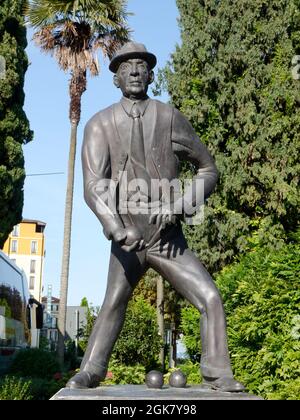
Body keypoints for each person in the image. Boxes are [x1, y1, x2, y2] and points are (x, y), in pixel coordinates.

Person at [67, 42, 245, 392]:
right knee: (115, 300)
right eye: (126, 66)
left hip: (167, 237)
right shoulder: (99, 124)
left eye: (141, 65)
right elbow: (92, 184)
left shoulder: (169, 117)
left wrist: (179, 205)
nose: (134, 71)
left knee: (209, 297)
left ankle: (218, 372)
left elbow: (208, 169)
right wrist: (116, 229)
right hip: (128, 233)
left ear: (150, 75)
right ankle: (90, 371)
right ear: (116, 78)